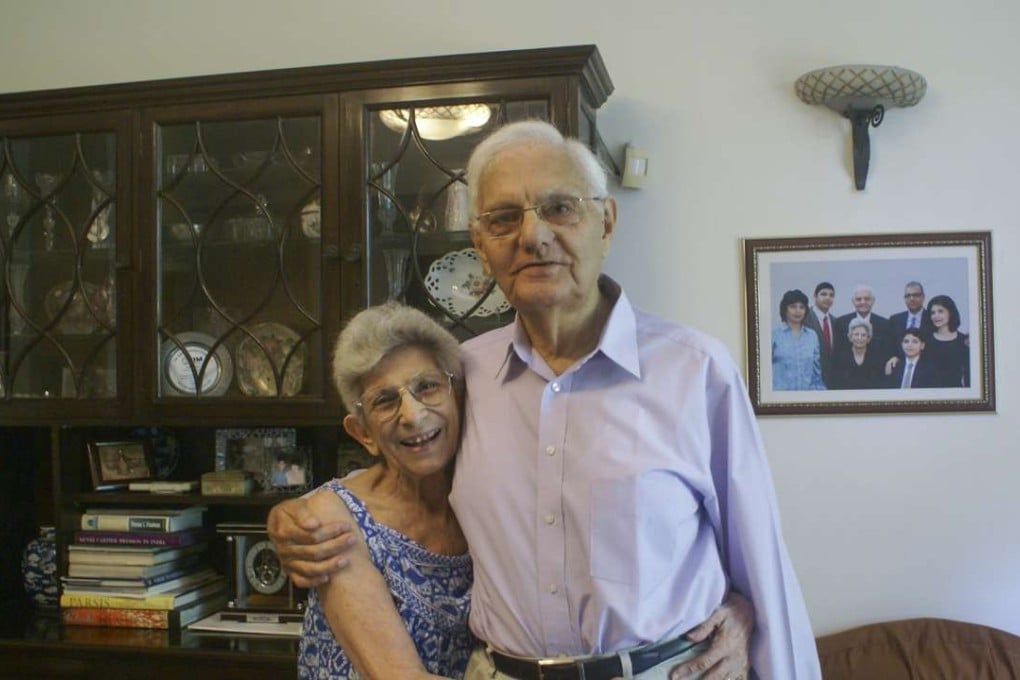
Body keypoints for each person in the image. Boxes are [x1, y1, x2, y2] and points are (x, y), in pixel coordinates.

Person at [271, 120, 820, 679]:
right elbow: (397, 483)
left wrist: (747, 612)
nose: (532, 236)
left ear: (604, 223)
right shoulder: (462, 378)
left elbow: (762, 565)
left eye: (560, 208)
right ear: (481, 249)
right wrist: (288, 516)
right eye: (504, 219)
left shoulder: (695, 370)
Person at [297, 302, 474, 679]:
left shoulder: (486, 503)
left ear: (457, 396)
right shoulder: (336, 519)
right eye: (385, 400)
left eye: (427, 386)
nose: (412, 415)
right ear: (363, 433)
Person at [772, 289, 825, 390]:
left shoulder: (812, 336)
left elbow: (816, 374)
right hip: (779, 398)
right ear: (785, 309)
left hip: (807, 398)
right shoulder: (774, 334)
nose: (798, 311)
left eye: (802, 307)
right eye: (793, 306)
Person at [834, 284, 892, 360]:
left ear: (873, 301)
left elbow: (887, 352)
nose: (863, 302)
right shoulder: (841, 323)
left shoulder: (885, 324)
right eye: (858, 299)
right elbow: (838, 351)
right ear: (853, 301)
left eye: (867, 299)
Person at [925, 294, 970, 387]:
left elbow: (968, 374)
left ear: (950, 312)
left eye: (940, 311)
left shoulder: (964, 341)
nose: (936, 316)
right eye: (932, 313)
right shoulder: (925, 341)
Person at [830, 318, 887, 389]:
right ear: (850, 337)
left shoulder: (877, 358)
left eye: (863, 335)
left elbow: (881, 384)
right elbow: (835, 383)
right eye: (856, 334)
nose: (859, 338)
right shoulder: (839, 359)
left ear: (868, 339)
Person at [803, 282, 837, 386]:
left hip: (831, 380)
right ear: (815, 296)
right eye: (823, 294)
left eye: (831, 295)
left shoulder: (835, 321)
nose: (828, 298)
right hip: (809, 379)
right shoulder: (804, 318)